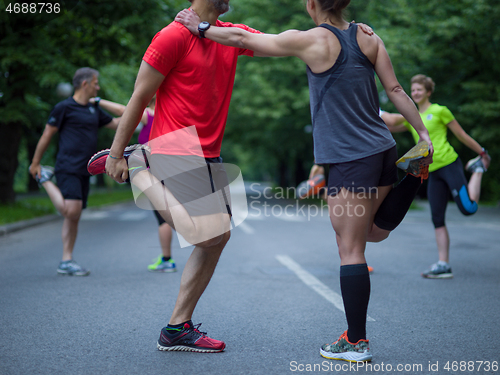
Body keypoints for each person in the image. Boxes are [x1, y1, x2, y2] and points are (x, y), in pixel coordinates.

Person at [176, 0, 434, 363]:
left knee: (350, 249)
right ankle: (410, 179)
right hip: (382, 150)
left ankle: (356, 342)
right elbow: (395, 91)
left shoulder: (312, 40)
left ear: (312, 4)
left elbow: (242, 39)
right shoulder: (367, 35)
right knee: (373, 233)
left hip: (349, 158)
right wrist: (422, 134)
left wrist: (198, 27)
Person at [384, 74, 491, 279]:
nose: (415, 93)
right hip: (431, 171)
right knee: (437, 218)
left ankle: (477, 170)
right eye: (413, 90)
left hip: (449, 164)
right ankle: (443, 264)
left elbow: (461, 135)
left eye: (419, 90)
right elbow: (388, 122)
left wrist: (482, 153)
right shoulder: (411, 117)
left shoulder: (440, 111)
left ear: (428, 92)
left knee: (468, 208)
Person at [29, 67, 120, 276]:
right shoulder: (64, 108)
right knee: (71, 212)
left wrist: (112, 106)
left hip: (86, 169)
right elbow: (46, 135)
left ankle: (66, 260)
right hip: (67, 166)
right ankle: (44, 179)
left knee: (74, 216)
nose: (98, 87)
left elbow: (118, 123)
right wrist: (36, 162)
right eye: (96, 83)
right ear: (85, 84)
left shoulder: (93, 109)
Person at [91, 96, 176, 272]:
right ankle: (166, 257)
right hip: (169, 165)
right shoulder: (169, 117)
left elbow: (124, 111)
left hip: (154, 167)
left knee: (162, 216)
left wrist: (99, 102)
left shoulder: (150, 114)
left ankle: (167, 259)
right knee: (165, 211)